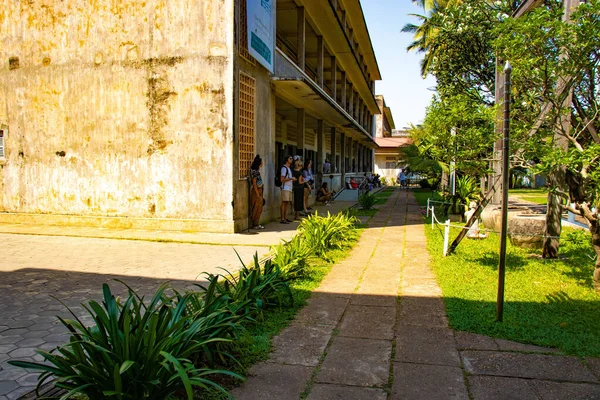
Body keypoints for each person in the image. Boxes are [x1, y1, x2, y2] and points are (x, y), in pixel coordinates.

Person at [249, 155, 265, 229]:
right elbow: (254, 182)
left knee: (260, 208)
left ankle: (257, 223)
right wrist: (257, 193)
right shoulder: (254, 172)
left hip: (260, 190)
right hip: (257, 190)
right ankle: (254, 224)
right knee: (256, 207)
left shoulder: (257, 171)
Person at [280, 155, 295, 224]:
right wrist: (291, 179)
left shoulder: (289, 168)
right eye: (290, 158)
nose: (291, 160)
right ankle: (282, 218)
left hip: (289, 188)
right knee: (284, 202)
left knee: (287, 203)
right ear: (287, 160)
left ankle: (285, 217)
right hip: (285, 187)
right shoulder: (284, 168)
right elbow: (282, 179)